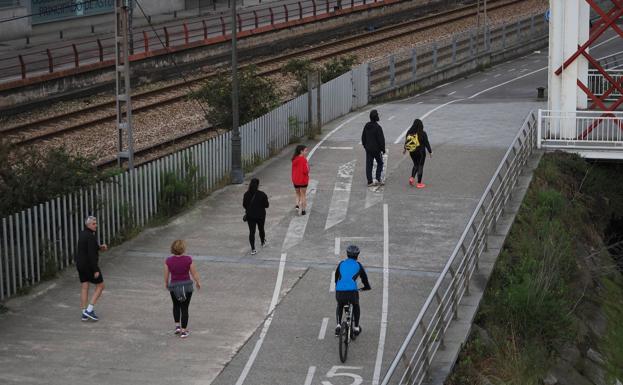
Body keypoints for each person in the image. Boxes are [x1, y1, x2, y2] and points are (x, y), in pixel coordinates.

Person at [164, 240, 201, 338]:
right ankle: (184, 331)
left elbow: (166, 274)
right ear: (183, 248)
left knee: (176, 305)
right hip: (187, 286)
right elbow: (194, 273)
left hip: (174, 286)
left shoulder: (168, 260)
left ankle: (177, 327)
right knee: (185, 308)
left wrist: (166, 283)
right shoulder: (188, 259)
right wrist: (198, 282)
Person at [334, 245, 371, 337]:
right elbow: (364, 279)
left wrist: (338, 286)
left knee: (340, 305)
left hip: (340, 291)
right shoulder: (358, 265)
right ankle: (356, 327)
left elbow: (336, 277)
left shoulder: (341, 263)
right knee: (356, 305)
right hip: (351, 292)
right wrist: (366, 287)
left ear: (347, 254)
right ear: (357, 255)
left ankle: (338, 325)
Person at [76, 216, 108, 322]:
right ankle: (89, 310)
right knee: (101, 286)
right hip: (89, 265)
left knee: (85, 287)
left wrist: (99, 247)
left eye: (96, 223)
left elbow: (88, 248)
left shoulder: (82, 234)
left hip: (80, 265)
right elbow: (91, 255)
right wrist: (95, 270)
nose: (96, 225)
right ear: (88, 225)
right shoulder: (90, 236)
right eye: (94, 224)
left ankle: (84, 313)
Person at [402, 118, 433, 188]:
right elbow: (426, 143)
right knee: (420, 166)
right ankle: (419, 183)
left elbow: (407, 141)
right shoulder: (422, 133)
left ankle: (412, 178)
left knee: (415, 164)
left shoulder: (409, 132)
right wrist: (430, 152)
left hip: (412, 152)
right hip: (421, 152)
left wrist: (405, 149)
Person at [243, 178, 270, 255]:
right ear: (258, 185)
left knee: (252, 232)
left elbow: (244, 205)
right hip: (260, 215)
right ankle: (262, 242)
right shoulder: (262, 194)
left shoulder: (246, 194)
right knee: (261, 229)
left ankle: (253, 249)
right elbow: (267, 205)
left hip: (250, 216)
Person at [361, 109, 386, 187]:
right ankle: (378, 179)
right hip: (376, 150)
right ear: (376, 117)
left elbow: (363, 137)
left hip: (368, 149)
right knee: (380, 163)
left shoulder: (367, 126)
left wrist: (365, 146)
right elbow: (381, 140)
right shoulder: (378, 127)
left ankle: (370, 182)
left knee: (369, 165)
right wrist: (383, 149)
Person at [291, 144, 310, 215]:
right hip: (303, 180)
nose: (306, 152)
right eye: (305, 151)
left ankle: (297, 205)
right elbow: (306, 171)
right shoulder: (304, 160)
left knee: (297, 193)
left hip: (295, 180)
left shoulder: (294, 159)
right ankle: (303, 211)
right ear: (301, 151)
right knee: (303, 195)